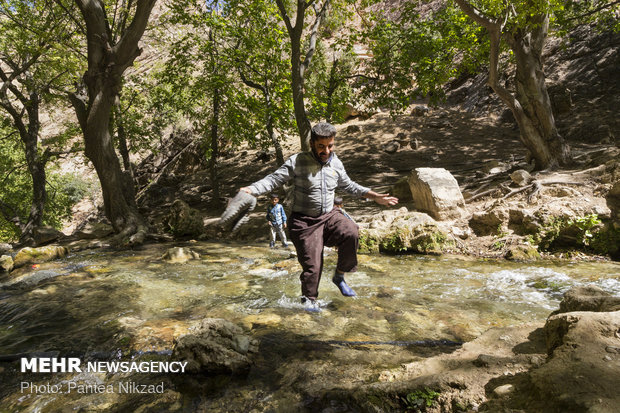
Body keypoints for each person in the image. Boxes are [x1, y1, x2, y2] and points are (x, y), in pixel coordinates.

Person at [240, 122, 398, 310]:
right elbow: (274, 179)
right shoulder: (298, 161)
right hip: (303, 221)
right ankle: (309, 301)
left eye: (330, 145)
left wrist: (374, 196)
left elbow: (350, 186)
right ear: (312, 143)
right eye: (321, 146)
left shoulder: (336, 163)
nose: (326, 150)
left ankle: (339, 276)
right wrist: (251, 190)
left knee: (351, 231)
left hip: (329, 216)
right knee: (313, 266)